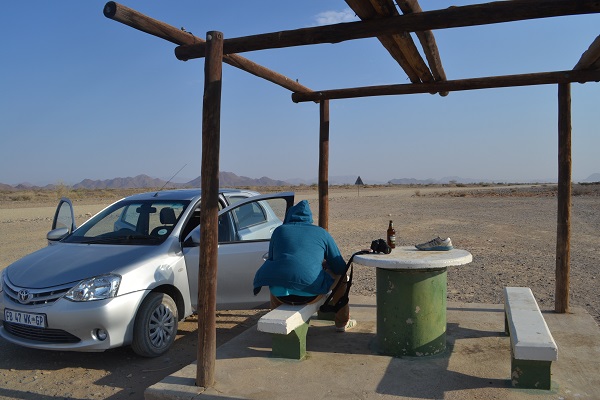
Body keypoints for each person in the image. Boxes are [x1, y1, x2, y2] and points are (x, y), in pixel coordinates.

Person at [253, 200, 356, 332]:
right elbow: (340, 267)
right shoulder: (321, 233)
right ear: (309, 218)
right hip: (310, 295)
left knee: (277, 277)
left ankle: (275, 324)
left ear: (288, 216)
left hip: (280, 296)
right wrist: (322, 265)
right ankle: (342, 322)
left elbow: (273, 259)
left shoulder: (279, 231)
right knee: (342, 278)